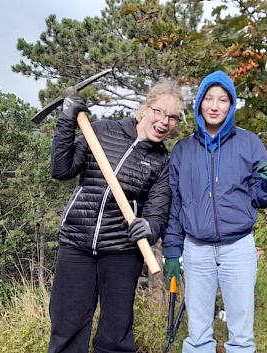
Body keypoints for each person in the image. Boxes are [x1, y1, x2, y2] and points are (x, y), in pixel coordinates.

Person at [48, 81, 185, 353]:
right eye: (159, 111)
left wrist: (148, 226)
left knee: (116, 336)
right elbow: (61, 169)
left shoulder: (162, 162)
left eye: (172, 117)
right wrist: (66, 121)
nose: (164, 121)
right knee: (67, 328)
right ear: (144, 108)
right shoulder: (101, 131)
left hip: (122, 251)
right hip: (77, 243)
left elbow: (157, 212)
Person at [163, 71, 267, 353]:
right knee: (198, 336)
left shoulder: (249, 143)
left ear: (231, 105)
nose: (214, 106)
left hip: (238, 248)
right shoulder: (183, 150)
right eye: (208, 98)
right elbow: (175, 205)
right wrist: (171, 251)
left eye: (222, 99)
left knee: (241, 337)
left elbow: (259, 199)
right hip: (196, 250)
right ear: (199, 104)